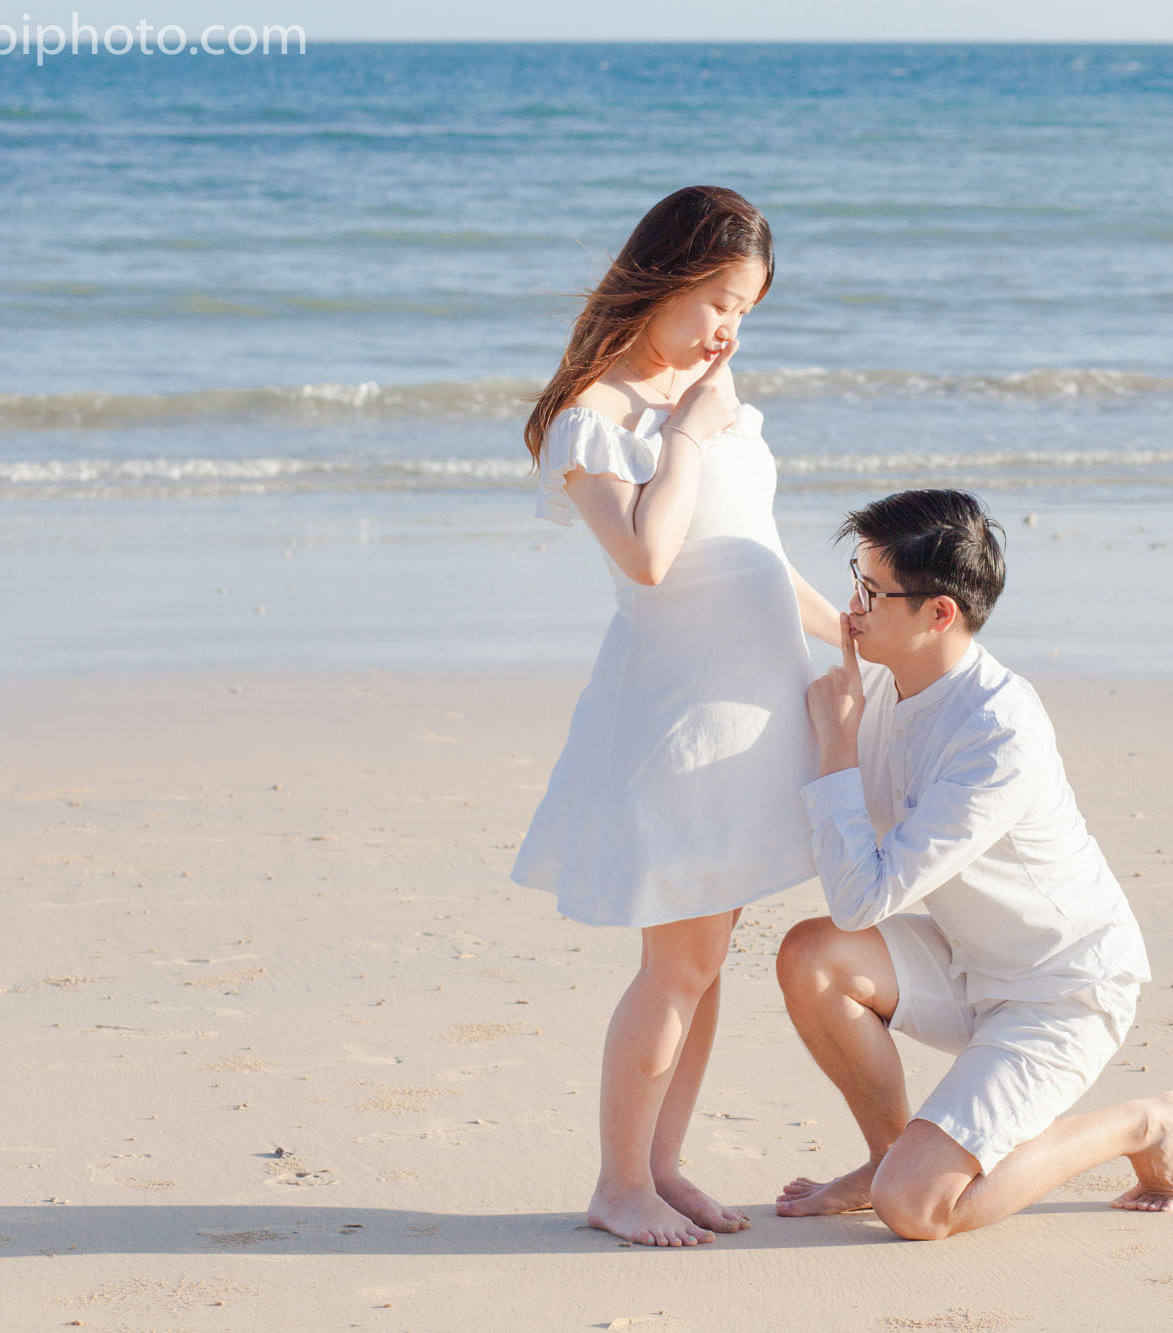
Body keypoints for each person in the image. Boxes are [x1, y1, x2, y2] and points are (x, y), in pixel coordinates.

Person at [510, 186, 843, 1248]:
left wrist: (850, 633)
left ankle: (659, 1165)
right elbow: (650, 558)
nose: (728, 331)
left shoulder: (704, 394)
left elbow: (755, 552)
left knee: (704, 966)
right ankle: (619, 1183)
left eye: (745, 311)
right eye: (717, 303)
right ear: (663, 277)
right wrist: (691, 431)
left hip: (755, 712)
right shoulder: (593, 420)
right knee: (677, 966)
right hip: (681, 722)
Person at [775, 489, 1173, 1240]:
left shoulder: (998, 734)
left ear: (939, 613)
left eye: (872, 590)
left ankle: (1145, 1121)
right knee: (812, 958)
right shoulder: (883, 683)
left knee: (918, 1209)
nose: (853, 605)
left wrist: (838, 747)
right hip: (968, 958)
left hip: (1062, 989)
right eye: (855, 579)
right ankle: (888, 1157)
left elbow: (861, 898)